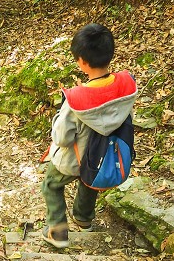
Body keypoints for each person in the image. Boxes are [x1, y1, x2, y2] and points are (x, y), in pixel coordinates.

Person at [40, 23, 137, 248]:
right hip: (102, 158)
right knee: (89, 181)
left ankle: (58, 232)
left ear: (82, 61)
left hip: (72, 160)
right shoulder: (126, 86)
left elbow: (62, 138)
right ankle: (84, 219)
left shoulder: (77, 100)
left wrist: (57, 118)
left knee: (51, 185)